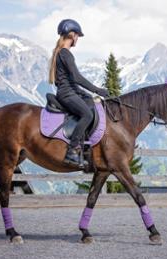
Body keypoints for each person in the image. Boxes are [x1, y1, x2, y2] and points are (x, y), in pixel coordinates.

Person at [48, 19, 109, 167]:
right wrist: (97, 90)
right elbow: (76, 78)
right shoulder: (65, 53)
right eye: (77, 36)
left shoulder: (61, 53)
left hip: (70, 91)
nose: (77, 39)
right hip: (67, 94)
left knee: (91, 105)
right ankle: (72, 151)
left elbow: (71, 81)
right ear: (72, 35)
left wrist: (87, 95)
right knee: (87, 114)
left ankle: (87, 149)